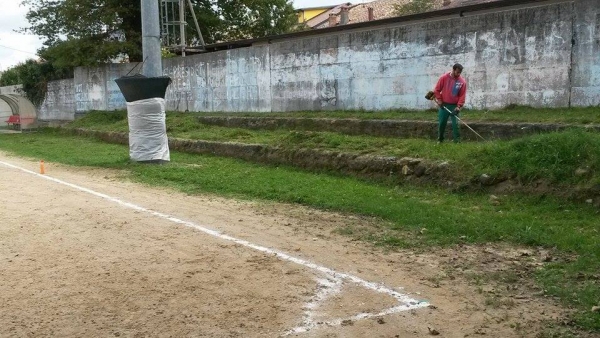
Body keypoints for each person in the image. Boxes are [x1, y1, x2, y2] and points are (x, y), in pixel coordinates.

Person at [433, 63, 467, 143]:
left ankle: (457, 141)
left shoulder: (462, 82)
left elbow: (462, 95)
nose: (458, 74)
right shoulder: (444, 78)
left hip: (454, 106)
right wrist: (440, 100)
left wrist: (458, 107)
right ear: (453, 70)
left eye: (460, 73)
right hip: (444, 105)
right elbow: (437, 90)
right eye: (457, 72)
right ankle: (440, 140)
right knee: (442, 123)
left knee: (456, 125)